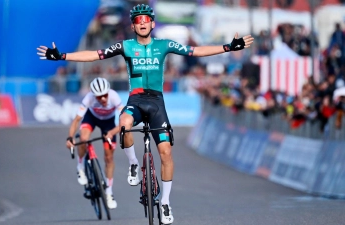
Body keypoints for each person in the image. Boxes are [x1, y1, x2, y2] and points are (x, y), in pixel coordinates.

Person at [38, 4, 253, 224]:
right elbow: (94, 55)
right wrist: (62, 56)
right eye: (138, 20)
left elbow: (196, 51)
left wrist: (228, 47)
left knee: (166, 153)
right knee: (124, 123)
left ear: (152, 23)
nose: (142, 23)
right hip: (136, 101)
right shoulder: (126, 46)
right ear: (133, 25)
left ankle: (166, 202)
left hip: (157, 103)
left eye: (146, 19)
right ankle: (133, 164)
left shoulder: (164, 45)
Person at [65, 77, 123, 210]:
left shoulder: (114, 97)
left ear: (108, 92)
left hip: (108, 122)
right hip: (91, 118)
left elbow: (125, 121)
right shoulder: (88, 98)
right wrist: (70, 137)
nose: (102, 99)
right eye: (99, 96)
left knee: (109, 157)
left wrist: (112, 132)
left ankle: (109, 193)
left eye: (104, 95)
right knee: (83, 139)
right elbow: (76, 120)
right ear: (94, 95)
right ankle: (80, 167)